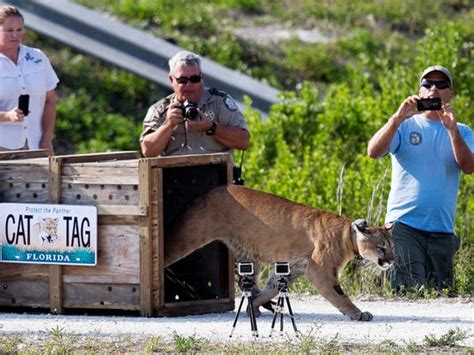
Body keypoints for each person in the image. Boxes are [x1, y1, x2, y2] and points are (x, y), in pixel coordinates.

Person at [367, 65, 474, 295]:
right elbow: (373, 151)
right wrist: (397, 118)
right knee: (408, 291)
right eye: (428, 84)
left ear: (450, 94)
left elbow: (468, 167)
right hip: (404, 225)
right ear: (419, 91)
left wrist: (452, 130)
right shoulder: (405, 126)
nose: (434, 88)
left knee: (441, 294)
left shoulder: (463, 131)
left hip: (442, 229)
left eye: (441, 84)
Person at [140, 50, 249, 157]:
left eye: (194, 79)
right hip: (174, 174)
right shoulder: (160, 109)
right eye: (182, 80)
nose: (189, 85)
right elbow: (147, 151)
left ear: (202, 78)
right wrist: (168, 125)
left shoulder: (218, 102)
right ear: (171, 80)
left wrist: (211, 127)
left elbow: (244, 141)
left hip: (215, 172)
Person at [0, 6, 59, 155]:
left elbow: (50, 100)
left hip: (35, 145)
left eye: (19, 30)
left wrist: (46, 139)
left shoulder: (37, 57)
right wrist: (7, 116)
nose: (15, 35)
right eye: (9, 30)